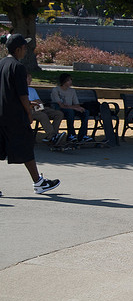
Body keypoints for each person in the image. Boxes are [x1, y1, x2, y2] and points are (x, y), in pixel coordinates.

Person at [0, 34, 60, 194]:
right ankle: (38, 183)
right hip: (15, 116)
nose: (26, 50)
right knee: (26, 147)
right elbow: (22, 94)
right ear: (17, 49)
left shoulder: (1, 64)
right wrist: (28, 112)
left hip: (1, 114)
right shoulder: (18, 67)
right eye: (24, 47)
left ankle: (38, 181)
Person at [51, 73, 92, 143]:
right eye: (68, 80)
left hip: (71, 108)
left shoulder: (72, 91)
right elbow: (60, 105)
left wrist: (77, 108)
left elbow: (76, 104)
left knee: (85, 112)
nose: (70, 82)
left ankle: (82, 135)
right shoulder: (56, 90)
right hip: (60, 109)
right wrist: (73, 108)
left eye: (71, 80)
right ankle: (71, 134)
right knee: (70, 112)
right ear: (63, 81)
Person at [27, 73, 66, 144]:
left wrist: (37, 103)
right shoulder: (19, 90)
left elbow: (38, 101)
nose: (31, 80)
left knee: (58, 114)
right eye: (29, 78)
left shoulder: (32, 90)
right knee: (43, 116)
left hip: (38, 107)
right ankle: (52, 136)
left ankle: (54, 135)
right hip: (28, 110)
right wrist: (32, 103)